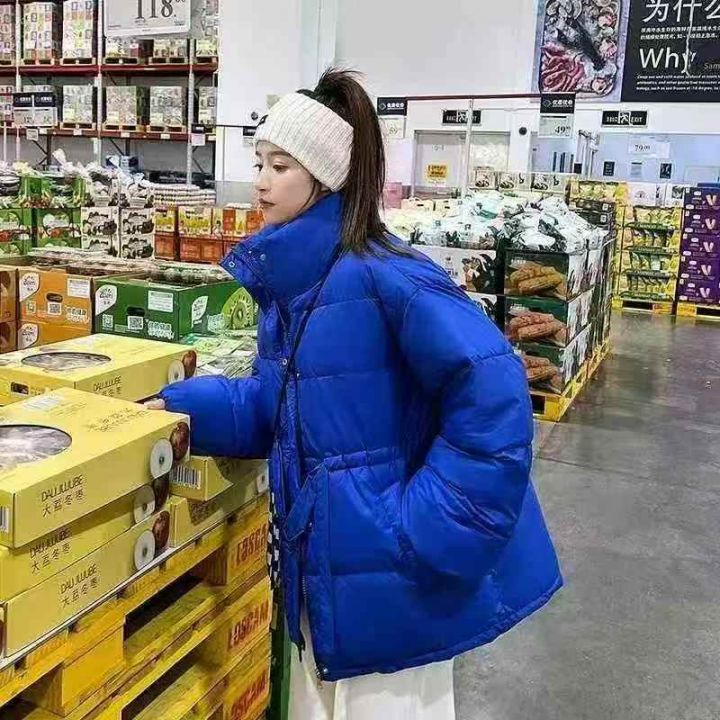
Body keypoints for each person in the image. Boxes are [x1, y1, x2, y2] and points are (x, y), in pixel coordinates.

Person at [151, 69, 562, 719]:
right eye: (259, 162)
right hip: (331, 575)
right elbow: (279, 407)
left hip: (397, 582)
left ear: (326, 177)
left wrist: (429, 529)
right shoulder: (297, 287)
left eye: (281, 166)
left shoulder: (387, 275)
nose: (261, 182)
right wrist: (173, 409)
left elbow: (496, 391)